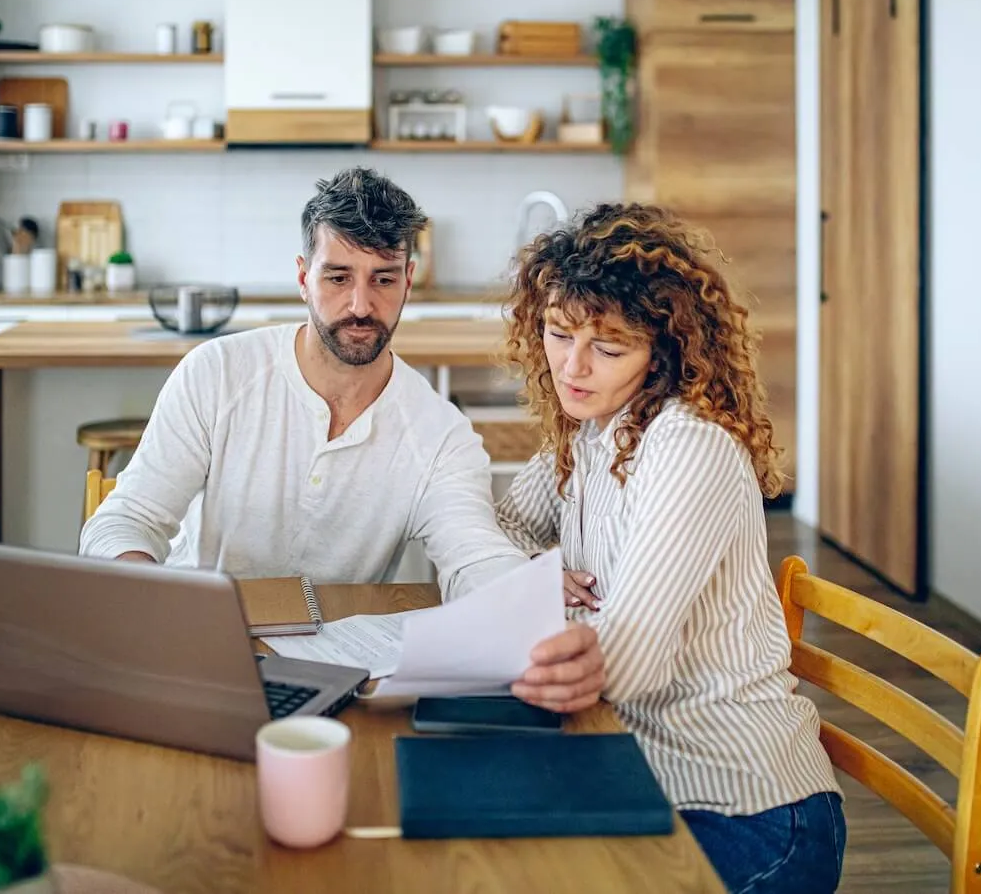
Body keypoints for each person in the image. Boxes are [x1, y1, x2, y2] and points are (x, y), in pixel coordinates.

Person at [78, 166, 602, 713]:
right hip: (197, 655)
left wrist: (526, 599)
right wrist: (152, 603)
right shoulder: (216, 373)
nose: (360, 305)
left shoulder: (439, 433)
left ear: (408, 278)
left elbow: (473, 555)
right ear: (303, 277)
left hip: (337, 679)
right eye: (337, 277)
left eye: (383, 278)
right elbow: (124, 519)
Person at [493, 203, 846, 893]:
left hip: (754, 813)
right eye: (558, 333)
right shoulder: (589, 430)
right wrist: (540, 573)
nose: (573, 366)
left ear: (665, 350)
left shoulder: (688, 447)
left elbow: (629, 659)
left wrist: (520, 629)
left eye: (609, 347)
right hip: (639, 767)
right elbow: (503, 525)